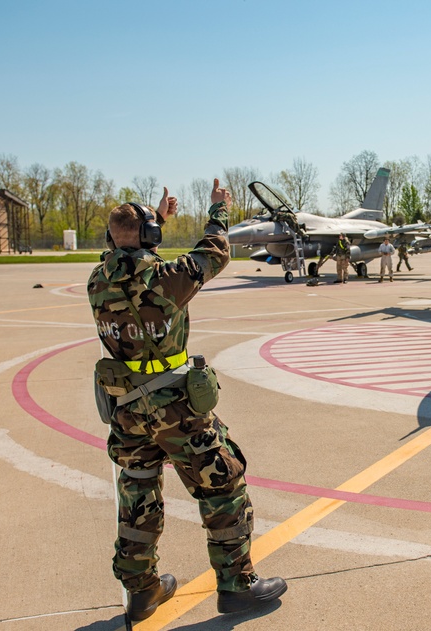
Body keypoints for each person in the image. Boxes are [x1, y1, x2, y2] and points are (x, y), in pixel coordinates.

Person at [87, 181, 287, 621]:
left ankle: (142, 592)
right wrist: (218, 210)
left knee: (138, 492)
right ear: (151, 238)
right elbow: (215, 251)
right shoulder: (164, 279)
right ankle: (237, 585)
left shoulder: (97, 281)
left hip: (126, 411)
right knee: (223, 486)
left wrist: (153, 219)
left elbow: (125, 254)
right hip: (174, 407)